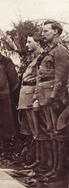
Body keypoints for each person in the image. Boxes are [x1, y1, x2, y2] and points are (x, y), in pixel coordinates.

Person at [36, 20, 69, 181]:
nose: (42, 34)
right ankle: (53, 167)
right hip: (46, 97)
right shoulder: (51, 50)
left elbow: (61, 77)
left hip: (53, 98)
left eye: (46, 31)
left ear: (56, 31)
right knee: (51, 133)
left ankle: (59, 171)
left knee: (57, 135)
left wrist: (56, 98)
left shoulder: (60, 51)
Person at [17, 33, 51, 171]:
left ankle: (42, 162)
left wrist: (36, 98)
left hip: (32, 97)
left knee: (38, 131)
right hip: (25, 97)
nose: (26, 44)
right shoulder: (31, 57)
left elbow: (39, 80)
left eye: (29, 41)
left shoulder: (41, 58)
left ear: (38, 43)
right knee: (31, 131)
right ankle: (36, 159)